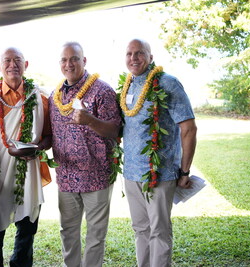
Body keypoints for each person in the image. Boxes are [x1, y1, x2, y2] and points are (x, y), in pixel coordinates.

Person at [0, 47, 52, 267]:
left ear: (26, 65)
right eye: (7, 60)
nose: (12, 65)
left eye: (18, 60)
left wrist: (36, 149)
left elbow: (48, 137)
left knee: (27, 231)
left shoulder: (40, 97)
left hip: (29, 173)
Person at [120, 39, 197, 267]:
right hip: (131, 173)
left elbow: (189, 129)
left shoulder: (168, 83)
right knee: (140, 229)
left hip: (160, 173)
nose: (133, 58)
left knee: (159, 232)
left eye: (139, 53)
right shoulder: (128, 85)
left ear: (151, 57)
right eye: (129, 53)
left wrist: (184, 171)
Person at [49, 41, 122, 267]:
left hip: (96, 175)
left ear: (84, 61)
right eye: (64, 59)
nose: (68, 64)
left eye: (74, 59)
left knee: (95, 235)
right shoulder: (55, 96)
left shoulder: (102, 90)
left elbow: (115, 130)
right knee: (67, 231)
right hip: (67, 177)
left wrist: (89, 120)